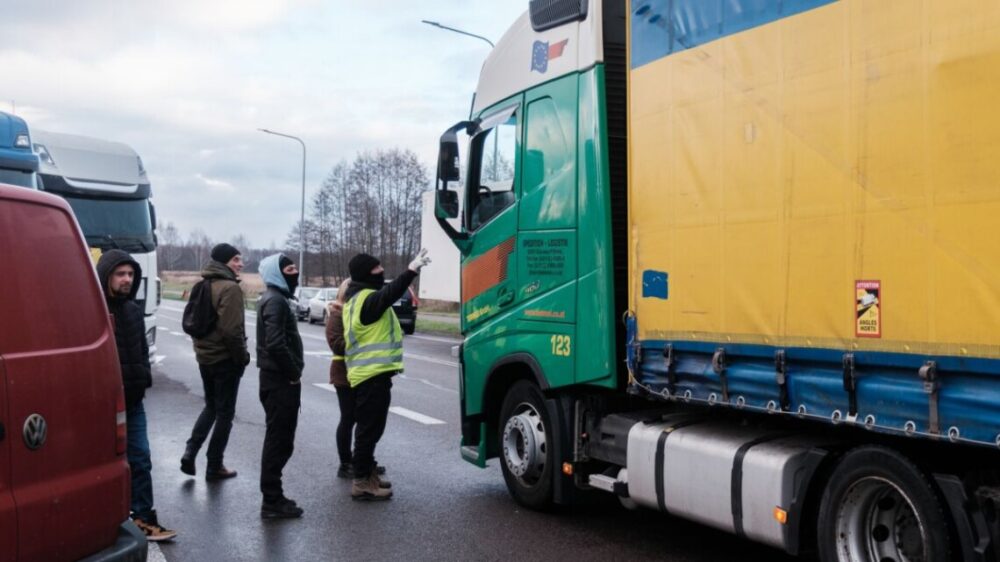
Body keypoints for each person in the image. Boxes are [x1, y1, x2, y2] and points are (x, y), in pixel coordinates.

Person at [96, 250, 177, 541]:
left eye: (130, 274)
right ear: (106, 276)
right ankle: (102, 520)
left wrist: (143, 377)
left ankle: (142, 517)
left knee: (141, 459)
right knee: (102, 465)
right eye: (120, 274)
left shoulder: (132, 310)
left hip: (133, 402)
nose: (127, 279)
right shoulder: (93, 309)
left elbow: (143, 351)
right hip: (103, 405)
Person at [343, 249, 430, 501]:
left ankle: (368, 474)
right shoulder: (368, 300)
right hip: (371, 374)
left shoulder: (356, 298)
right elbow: (390, 294)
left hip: (369, 373)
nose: (382, 271)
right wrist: (411, 270)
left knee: (371, 429)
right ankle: (361, 482)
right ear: (366, 274)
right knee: (368, 431)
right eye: (377, 268)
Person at [181, 243, 250, 481]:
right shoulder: (230, 288)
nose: (240, 264)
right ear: (223, 262)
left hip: (205, 358)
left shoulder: (202, 284)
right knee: (225, 413)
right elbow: (232, 331)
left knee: (211, 407)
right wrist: (242, 358)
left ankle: (190, 452)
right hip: (225, 360)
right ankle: (215, 465)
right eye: (235, 260)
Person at [256, 253, 305, 518]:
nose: (295, 271)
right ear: (276, 273)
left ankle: (274, 496)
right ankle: (272, 501)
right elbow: (275, 343)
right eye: (288, 268)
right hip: (279, 381)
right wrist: (293, 372)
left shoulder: (276, 298)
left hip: (276, 379)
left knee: (281, 440)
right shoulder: (275, 301)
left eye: (295, 267)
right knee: (278, 441)